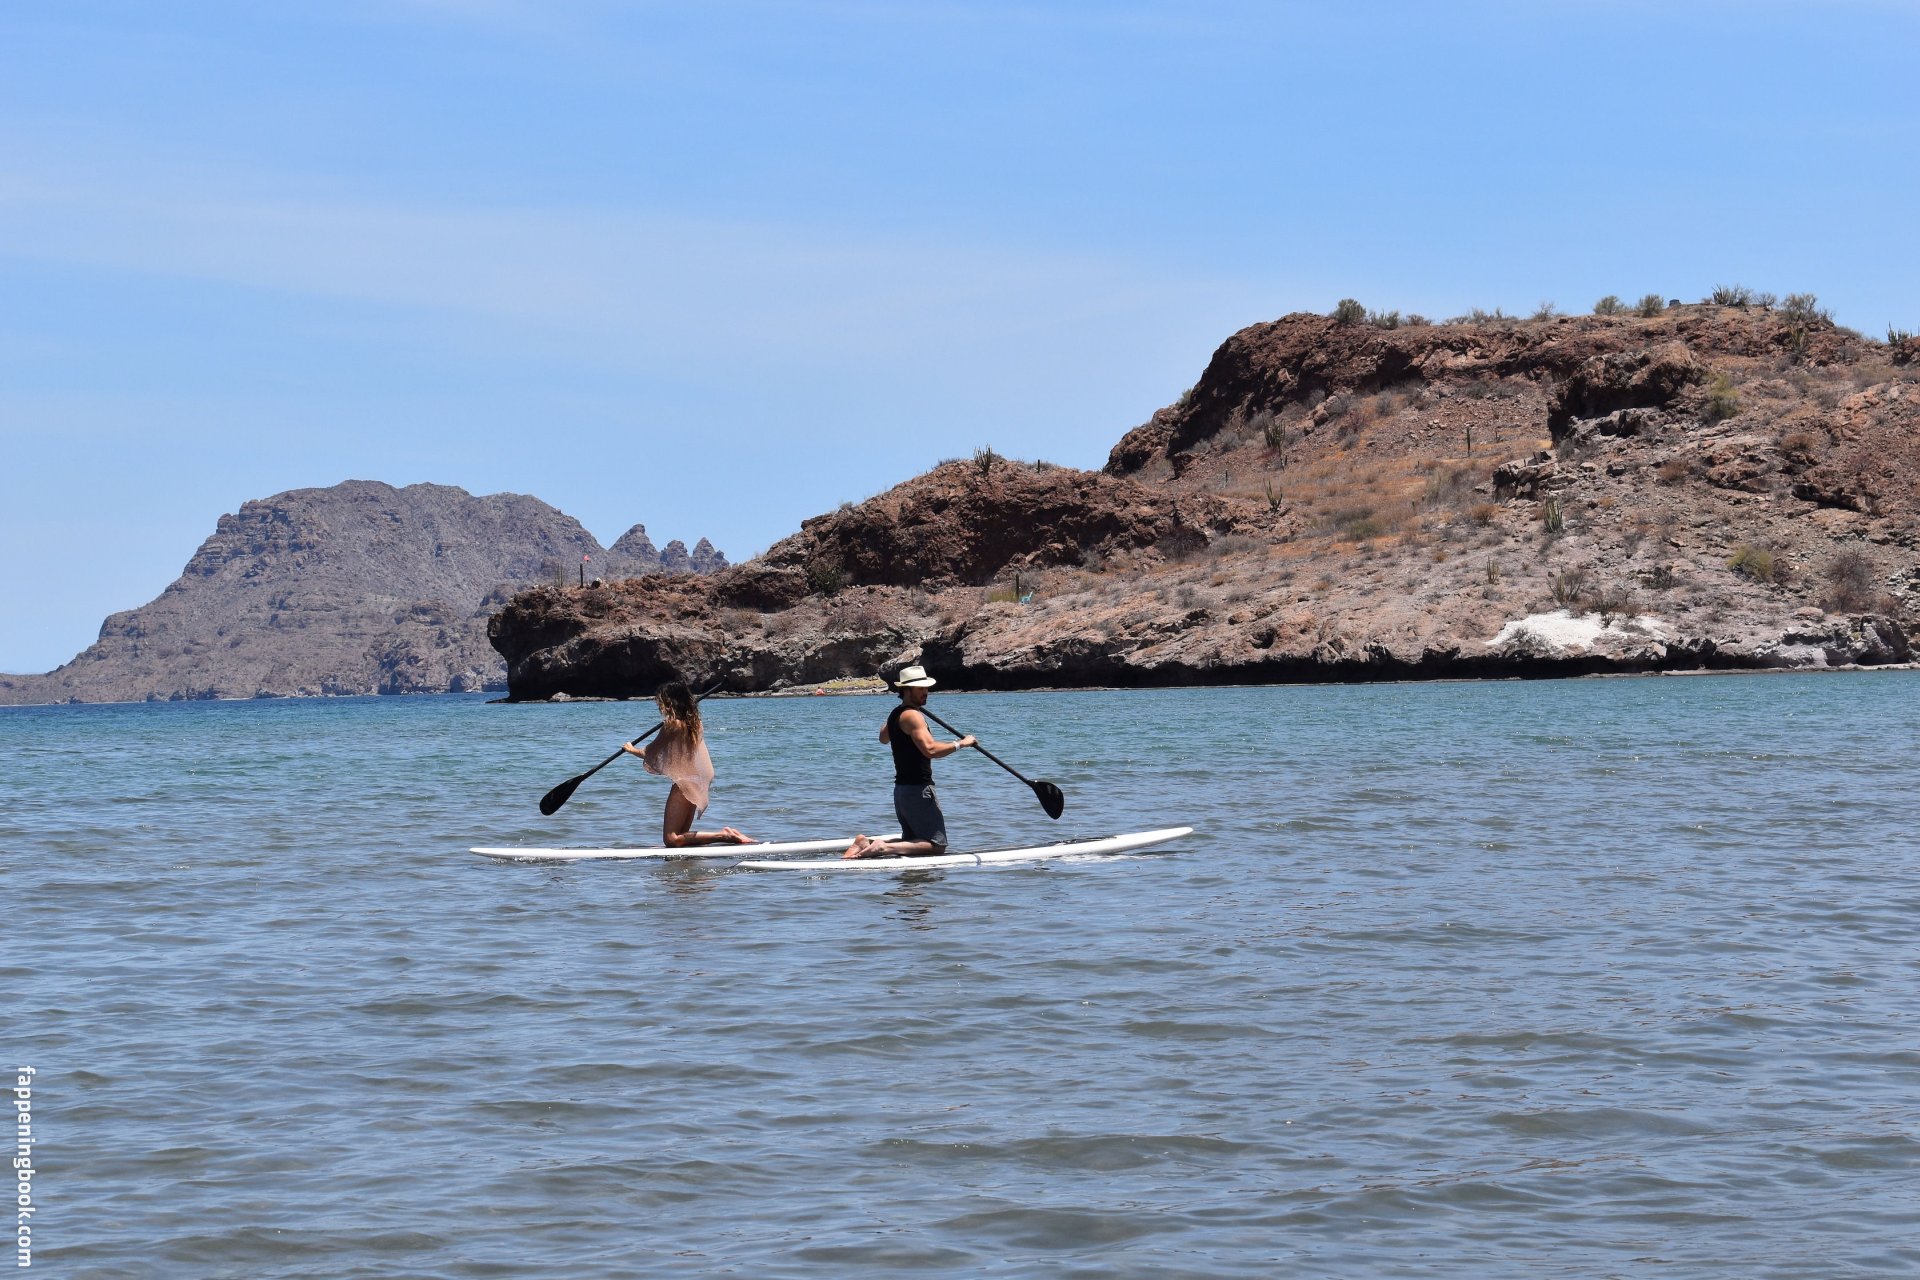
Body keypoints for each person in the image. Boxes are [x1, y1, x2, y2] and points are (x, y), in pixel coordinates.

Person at [843, 665, 975, 859]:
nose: (925, 692)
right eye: (920, 688)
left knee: (914, 840)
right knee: (936, 845)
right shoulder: (913, 716)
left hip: (902, 791)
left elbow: (883, 738)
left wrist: (898, 717)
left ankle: (866, 843)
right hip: (919, 790)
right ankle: (882, 847)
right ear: (906, 690)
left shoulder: (896, 714)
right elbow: (930, 750)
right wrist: (960, 744)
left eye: (926, 688)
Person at [624, 680, 753, 847]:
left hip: (684, 783)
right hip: (697, 780)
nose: (659, 706)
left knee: (671, 839)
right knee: (680, 839)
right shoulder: (695, 723)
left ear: (669, 702)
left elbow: (650, 753)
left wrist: (630, 749)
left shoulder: (672, 725)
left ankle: (724, 836)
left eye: (661, 702)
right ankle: (723, 837)